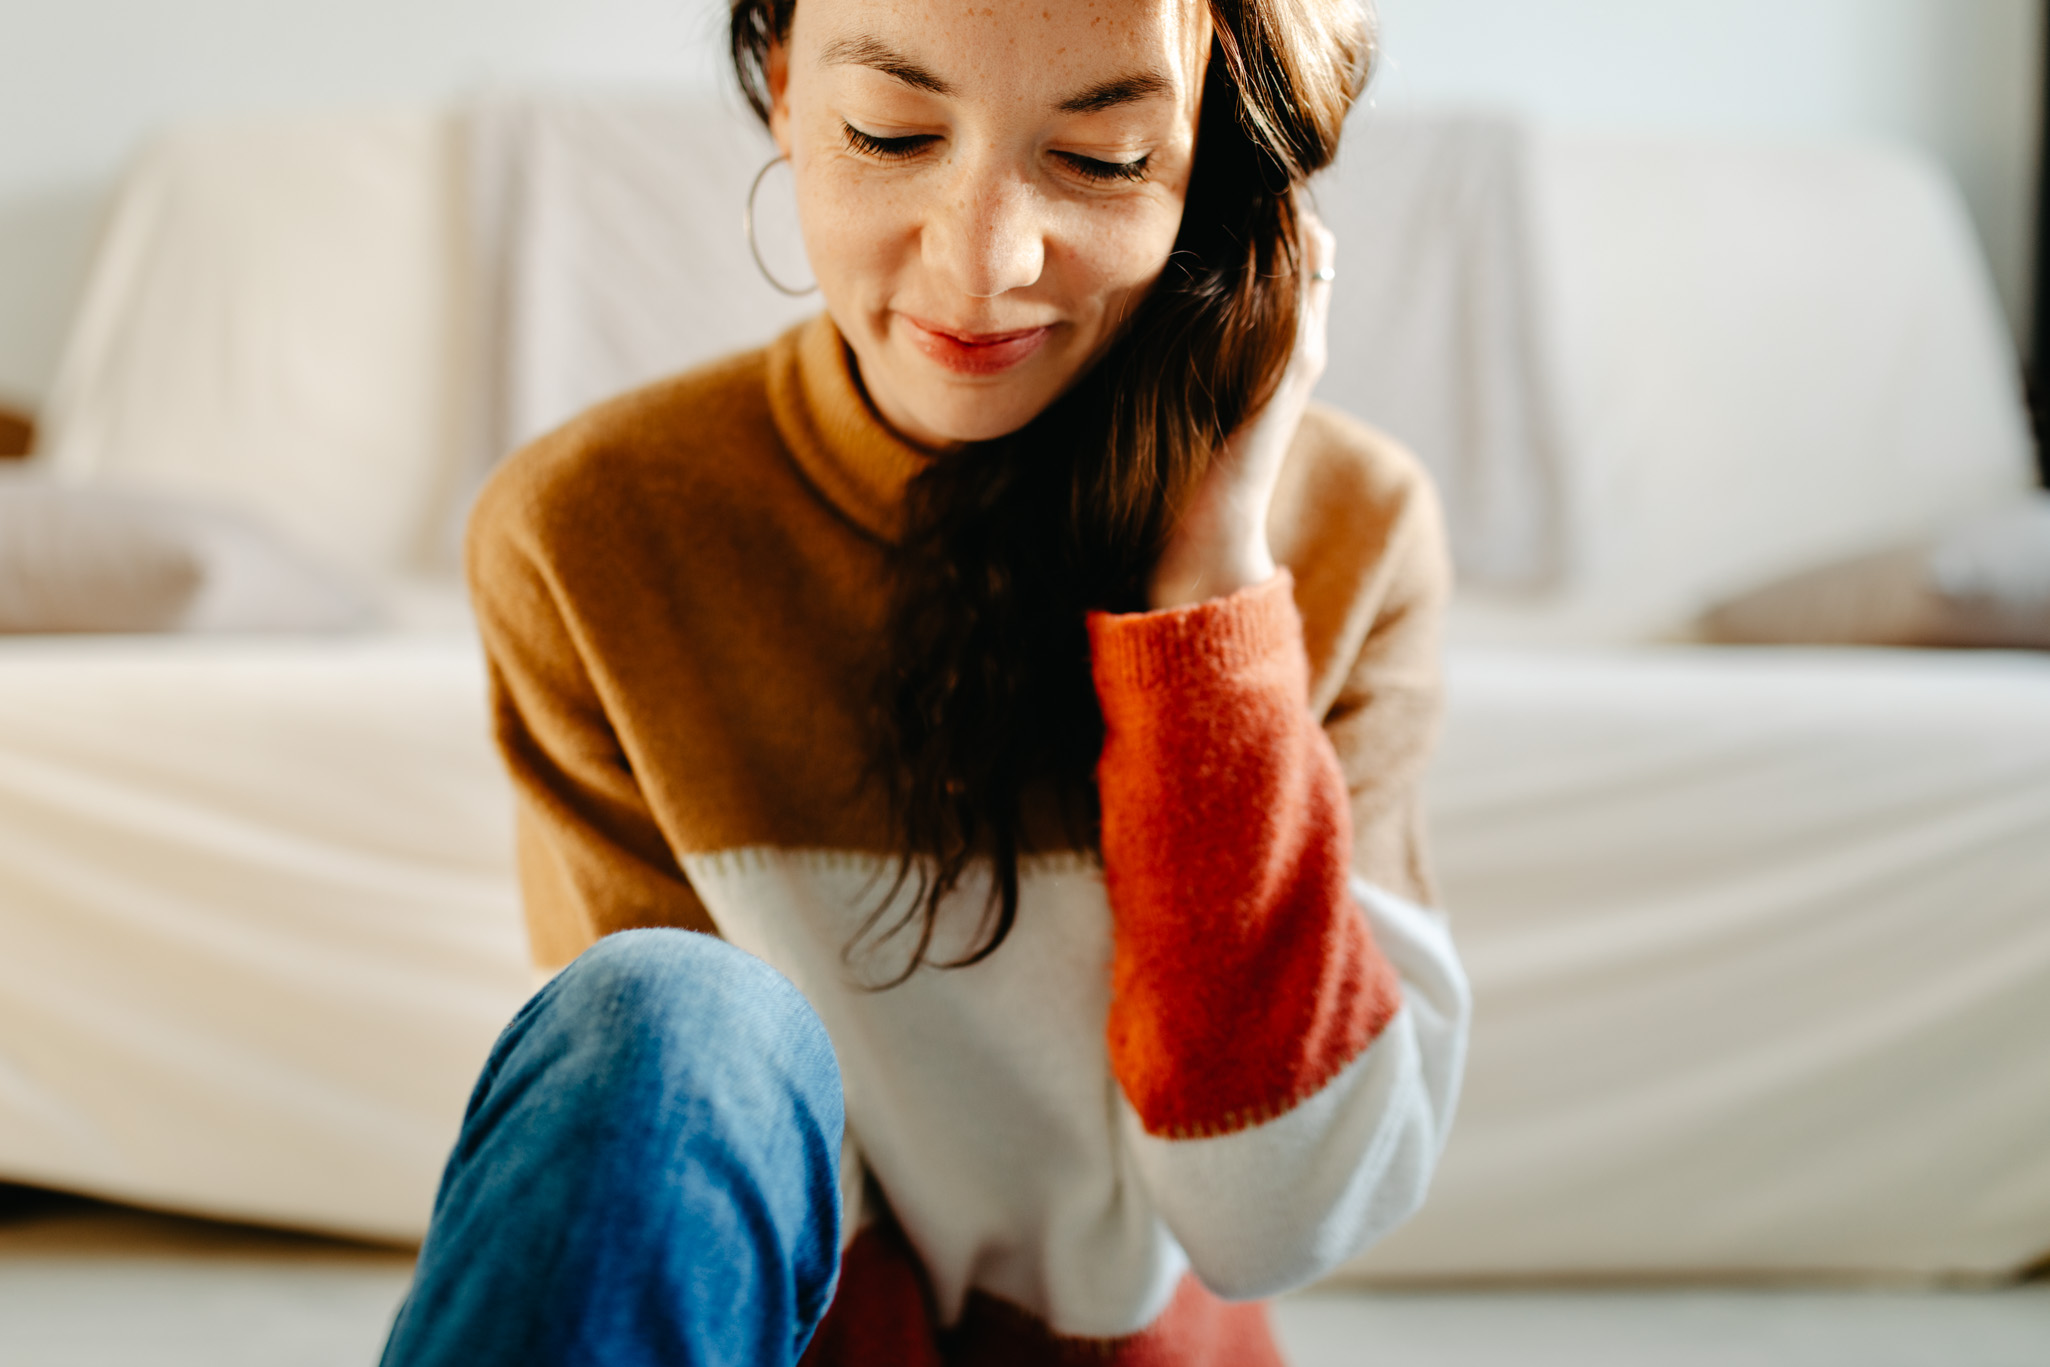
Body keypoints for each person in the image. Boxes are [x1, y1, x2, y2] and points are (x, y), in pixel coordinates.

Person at [379, 0, 1469, 1360]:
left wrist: (1208, 613)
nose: (981, 262)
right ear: (783, 91)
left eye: (1106, 158)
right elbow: (682, 1170)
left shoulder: (1349, 531)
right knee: (664, 1013)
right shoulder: (588, 529)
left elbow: (1278, 1212)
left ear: (1219, 175)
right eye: (889, 132)